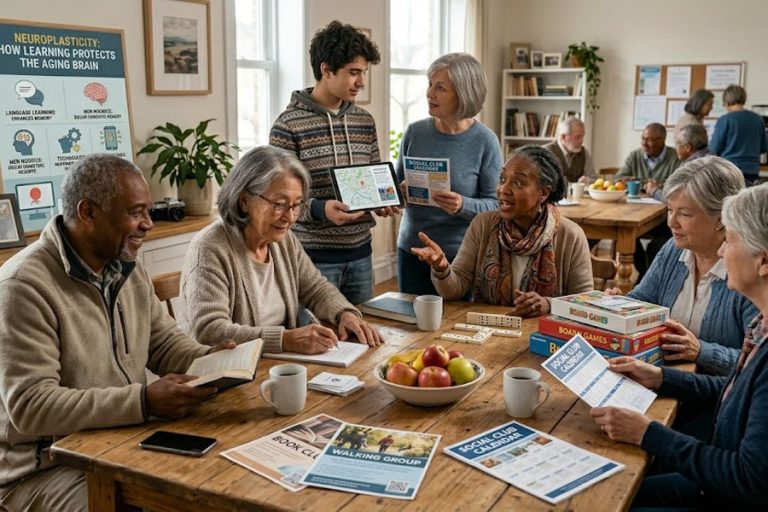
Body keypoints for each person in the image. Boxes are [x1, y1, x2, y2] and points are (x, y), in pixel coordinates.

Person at [0, 154, 233, 511]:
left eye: (149, 211)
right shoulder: (22, 287)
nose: (148, 224)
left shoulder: (124, 266)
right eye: (135, 212)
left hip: (121, 439)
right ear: (88, 212)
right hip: (44, 468)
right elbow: (31, 407)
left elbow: (164, 342)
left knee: (216, 484)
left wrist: (216, 360)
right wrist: (142, 401)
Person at [590, 184, 768, 511]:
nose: (723, 251)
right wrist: (661, 377)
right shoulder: (762, 327)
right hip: (711, 485)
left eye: (730, 240)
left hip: (726, 497)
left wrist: (649, 434)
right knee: (598, 493)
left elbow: (748, 479)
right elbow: (733, 392)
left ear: (764, 261)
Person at [182, 146, 382, 356]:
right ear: (244, 201)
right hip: (223, 374)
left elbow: (316, 288)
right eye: (279, 204)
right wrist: (285, 339)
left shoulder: (283, 241)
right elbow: (209, 330)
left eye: (296, 205)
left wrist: (344, 313)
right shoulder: (210, 247)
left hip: (273, 364)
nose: (290, 217)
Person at [270, 20, 393, 305]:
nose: (361, 82)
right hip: (313, 260)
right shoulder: (288, 126)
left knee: (363, 341)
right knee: (319, 341)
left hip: (362, 254)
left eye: (363, 73)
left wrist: (382, 198)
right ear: (326, 69)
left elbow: (372, 177)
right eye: (353, 73)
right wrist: (320, 209)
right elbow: (278, 200)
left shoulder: (364, 121)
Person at [607, 156, 756, 375]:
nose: (671, 222)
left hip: (712, 398)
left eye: (684, 213)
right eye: (670, 209)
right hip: (661, 378)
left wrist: (700, 351)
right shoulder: (674, 248)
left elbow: (756, 365)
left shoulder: (749, 269)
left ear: (722, 218)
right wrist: (619, 304)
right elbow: (644, 300)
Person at [411, 145, 593, 316]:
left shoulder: (571, 235)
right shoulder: (483, 224)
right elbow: (455, 289)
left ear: (543, 193)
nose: (503, 189)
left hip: (543, 337)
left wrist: (548, 304)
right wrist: (442, 268)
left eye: (519, 183)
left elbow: (584, 303)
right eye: (502, 179)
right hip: (489, 332)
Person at [395, 53, 502, 295]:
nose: (429, 93)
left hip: (460, 258)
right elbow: (394, 189)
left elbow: (496, 206)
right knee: (409, 328)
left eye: (440, 87)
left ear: (463, 93)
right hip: (412, 251)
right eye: (430, 84)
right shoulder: (414, 132)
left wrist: (462, 204)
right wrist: (398, 192)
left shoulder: (485, 141)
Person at [617, 123, 680, 278]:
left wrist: (654, 185)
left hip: (663, 217)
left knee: (658, 243)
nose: (645, 143)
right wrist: (630, 181)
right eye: (643, 138)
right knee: (627, 235)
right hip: (635, 212)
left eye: (650, 140)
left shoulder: (675, 157)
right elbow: (619, 178)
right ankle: (645, 274)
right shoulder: (635, 155)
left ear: (662, 141)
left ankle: (647, 277)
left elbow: (676, 187)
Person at [710, 84, 768, 185]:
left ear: (727, 102)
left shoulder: (725, 120)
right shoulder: (758, 119)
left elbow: (714, 148)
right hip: (752, 171)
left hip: (729, 170)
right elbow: (764, 147)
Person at [644, 123, 710, 201]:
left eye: (678, 144)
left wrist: (654, 191)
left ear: (688, 147)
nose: (676, 148)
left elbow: (677, 199)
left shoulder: (692, 167)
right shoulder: (711, 158)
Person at [542, 116, 596, 183]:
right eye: (577, 137)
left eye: (582, 136)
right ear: (563, 137)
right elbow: (542, 182)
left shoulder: (583, 152)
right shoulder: (545, 152)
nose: (581, 141)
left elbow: (593, 177)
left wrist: (588, 180)